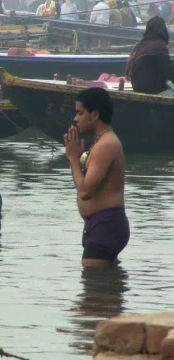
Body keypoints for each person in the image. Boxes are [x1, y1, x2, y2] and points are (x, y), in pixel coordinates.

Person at [63, 88, 129, 267]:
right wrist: (74, 158)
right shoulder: (100, 143)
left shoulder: (106, 145)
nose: (75, 119)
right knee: (103, 291)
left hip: (106, 225)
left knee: (94, 290)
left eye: (79, 113)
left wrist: (73, 158)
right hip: (99, 225)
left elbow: (85, 191)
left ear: (94, 114)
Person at [126, 16, 174, 95]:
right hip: (154, 90)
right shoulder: (159, 46)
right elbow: (169, 72)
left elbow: (128, 73)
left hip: (137, 88)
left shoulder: (139, 45)